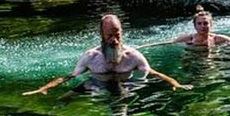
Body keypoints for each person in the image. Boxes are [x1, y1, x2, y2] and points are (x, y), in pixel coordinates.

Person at [23, 14, 192, 95]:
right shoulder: (91, 56)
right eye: (110, 35)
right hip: (95, 83)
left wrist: (174, 82)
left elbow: (153, 72)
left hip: (125, 84)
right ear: (102, 34)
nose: (114, 40)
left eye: (117, 34)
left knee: (121, 102)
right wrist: (45, 88)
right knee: (64, 100)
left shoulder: (133, 55)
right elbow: (70, 76)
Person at [140, 5, 230, 50]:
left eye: (206, 23)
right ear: (195, 25)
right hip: (192, 58)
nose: (203, 26)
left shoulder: (217, 39)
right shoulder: (188, 38)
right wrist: (141, 47)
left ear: (211, 25)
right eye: (200, 24)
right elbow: (164, 44)